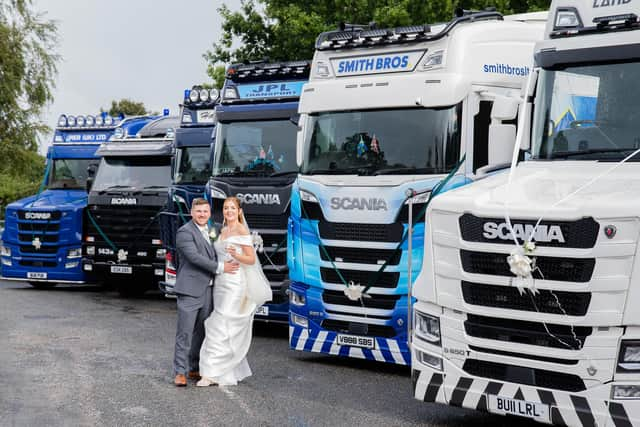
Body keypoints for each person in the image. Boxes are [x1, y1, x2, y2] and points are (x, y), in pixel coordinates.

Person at [196, 196, 272, 387]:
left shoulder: (241, 230)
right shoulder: (221, 230)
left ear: (239, 211)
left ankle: (211, 373)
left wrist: (236, 254)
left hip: (235, 284)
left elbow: (251, 259)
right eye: (225, 208)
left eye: (232, 208)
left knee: (220, 321)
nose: (228, 211)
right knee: (220, 321)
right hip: (220, 282)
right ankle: (221, 370)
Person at [172, 198, 239, 387]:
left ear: (209, 213)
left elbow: (229, 232)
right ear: (192, 213)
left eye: (205, 211)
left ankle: (194, 367)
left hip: (210, 290)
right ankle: (179, 372)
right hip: (190, 290)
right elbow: (194, 258)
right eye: (198, 211)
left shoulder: (213, 229)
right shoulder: (184, 232)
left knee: (203, 331)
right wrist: (221, 267)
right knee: (184, 333)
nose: (202, 215)